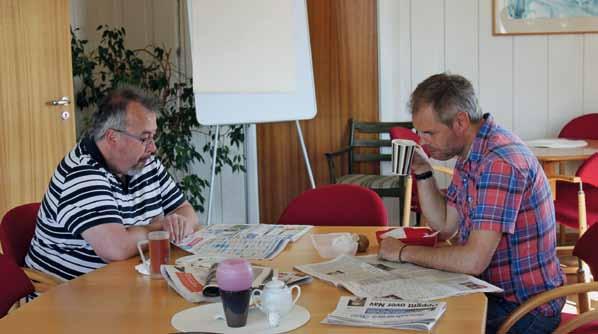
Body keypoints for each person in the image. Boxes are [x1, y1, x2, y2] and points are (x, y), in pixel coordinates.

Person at [378, 73, 565, 333]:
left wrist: (402, 252)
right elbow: (445, 225)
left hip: (523, 308)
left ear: (460, 122)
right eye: (419, 133)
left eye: (429, 132)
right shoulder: (470, 152)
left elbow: (473, 260)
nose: (422, 141)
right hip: (489, 290)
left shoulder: (499, 162)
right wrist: (423, 171)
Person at [25, 86, 199, 281]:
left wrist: (176, 224)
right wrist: (160, 228)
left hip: (124, 282)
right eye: (144, 138)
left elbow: (185, 210)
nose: (153, 147)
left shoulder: (144, 162)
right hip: (68, 297)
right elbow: (117, 249)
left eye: (153, 136)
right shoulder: (82, 174)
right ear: (112, 137)